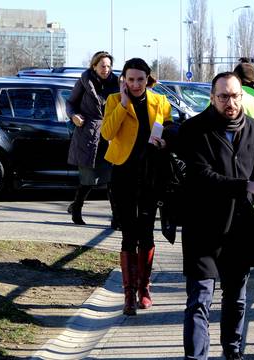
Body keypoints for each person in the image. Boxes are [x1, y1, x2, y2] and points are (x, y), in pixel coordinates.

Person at [177, 72, 254, 360]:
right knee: (200, 300)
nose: (230, 102)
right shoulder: (194, 130)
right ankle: (196, 357)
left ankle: (233, 353)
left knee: (236, 299)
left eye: (235, 96)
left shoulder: (253, 128)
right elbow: (200, 177)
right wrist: (245, 186)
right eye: (223, 96)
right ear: (212, 98)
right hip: (203, 228)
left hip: (240, 228)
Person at [101, 58, 173, 316]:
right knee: (128, 234)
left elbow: (169, 129)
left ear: (147, 79)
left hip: (151, 176)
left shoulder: (160, 102)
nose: (135, 84)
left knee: (147, 233)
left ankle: (144, 289)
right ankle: (128, 295)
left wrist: (165, 143)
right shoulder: (114, 100)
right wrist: (122, 104)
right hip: (123, 175)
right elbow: (107, 134)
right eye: (130, 79)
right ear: (124, 80)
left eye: (140, 79)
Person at [66, 51, 119, 227]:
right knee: (88, 179)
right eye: (103, 66)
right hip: (88, 135)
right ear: (94, 66)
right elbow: (70, 103)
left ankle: (116, 217)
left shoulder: (117, 83)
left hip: (109, 135)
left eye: (109, 66)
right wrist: (74, 116)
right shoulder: (84, 81)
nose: (106, 69)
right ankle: (77, 208)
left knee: (112, 179)